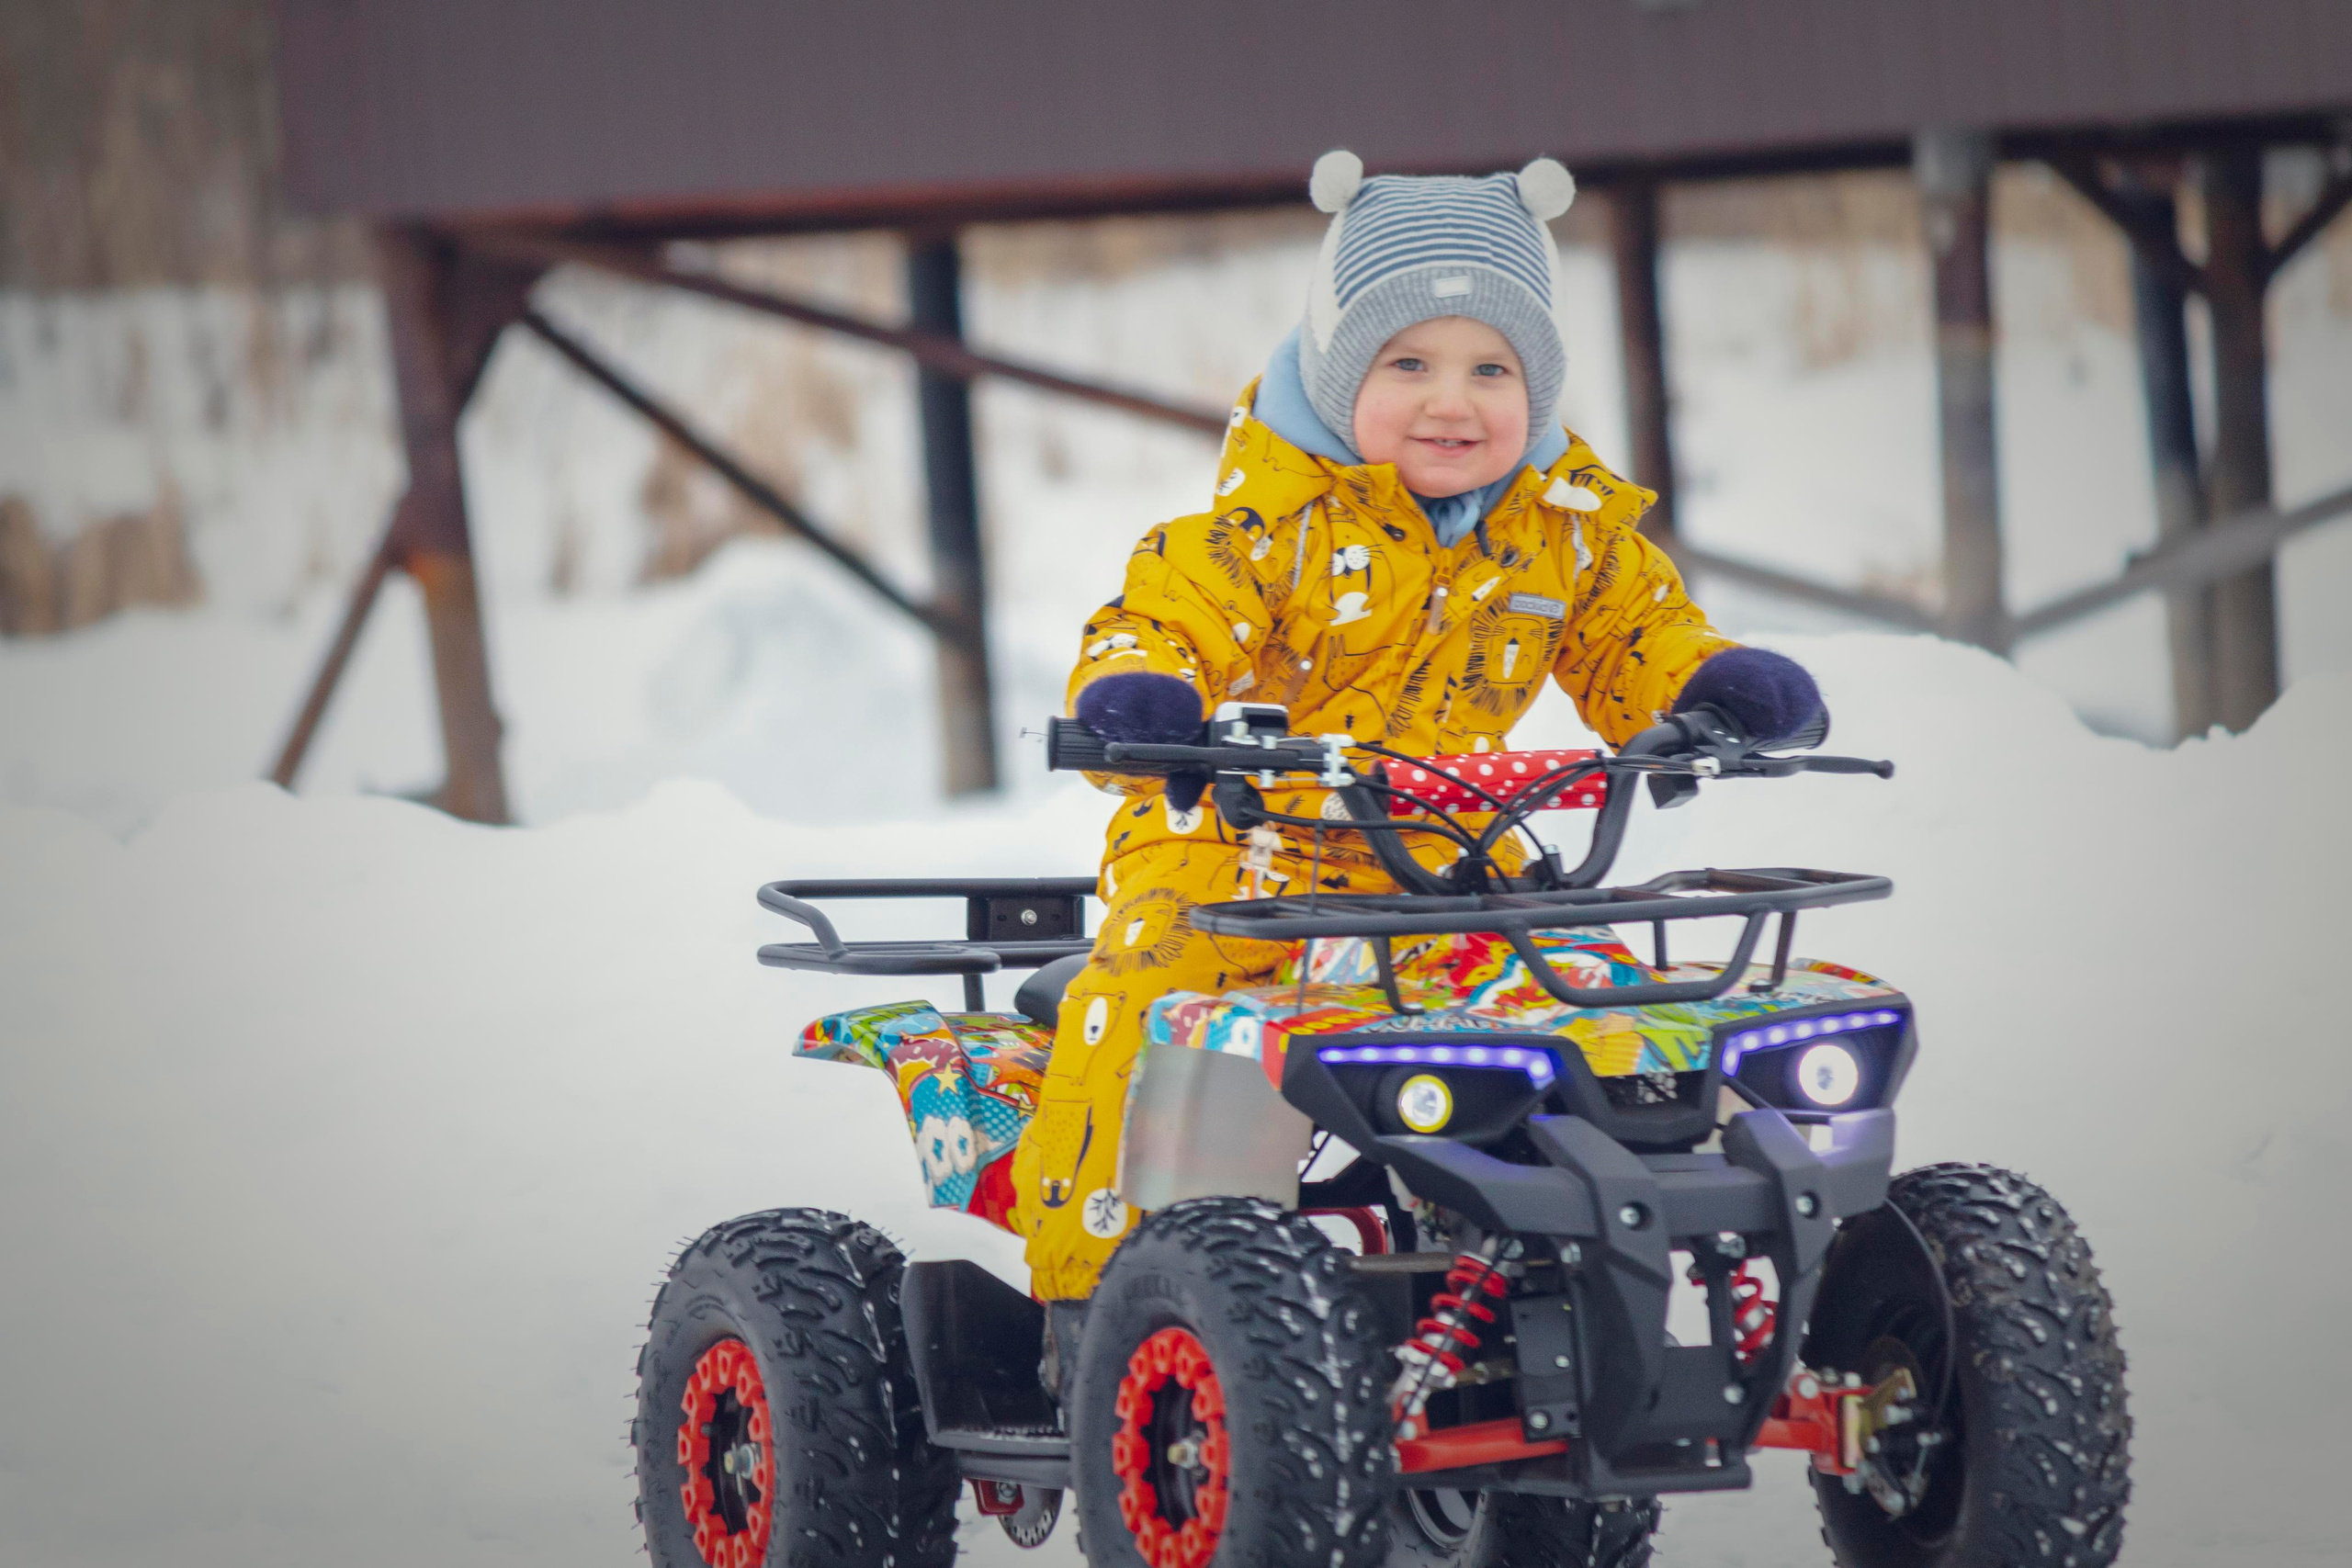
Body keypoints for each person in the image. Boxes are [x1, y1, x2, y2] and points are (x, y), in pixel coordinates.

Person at [1007, 151, 1826, 1380]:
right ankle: (1100, 1304)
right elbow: (1160, 620)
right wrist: (1148, 700)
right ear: (1341, 375)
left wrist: (1708, 691)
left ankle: (1570, 1265)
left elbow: (1638, 637)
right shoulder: (1259, 531)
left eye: (1492, 368)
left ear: (1536, 388)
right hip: (1235, 849)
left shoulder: (1563, 536)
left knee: (1611, 1014)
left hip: (1453, 857)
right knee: (1158, 997)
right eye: (1409, 364)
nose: (1455, 400)